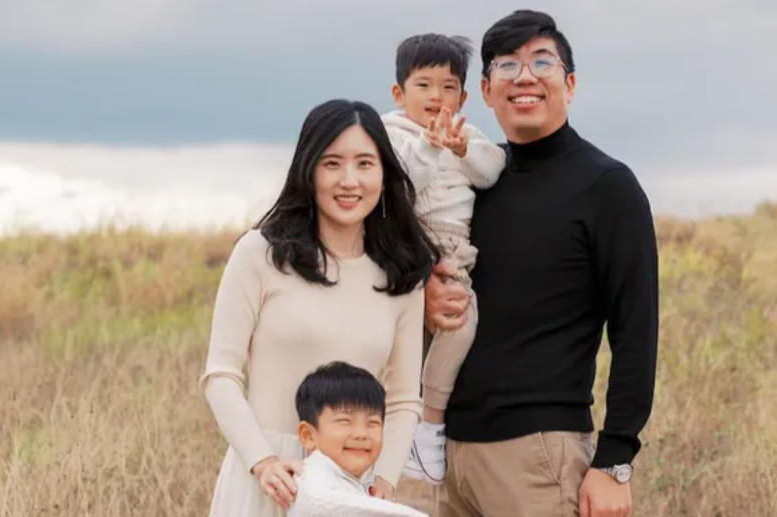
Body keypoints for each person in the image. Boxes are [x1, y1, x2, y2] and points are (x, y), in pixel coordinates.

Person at [425, 10, 659, 517]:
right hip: (444, 454)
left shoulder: (606, 186)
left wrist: (615, 459)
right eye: (506, 66)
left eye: (541, 61)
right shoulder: (469, 181)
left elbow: (636, 329)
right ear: (485, 91)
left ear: (569, 83)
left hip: (537, 456)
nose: (524, 77)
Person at [201, 99, 438, 516]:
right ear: (308, 171)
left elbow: (403, 399)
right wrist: (263, 462)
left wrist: (382, 481)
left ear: (384, 175)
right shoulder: (260, 254)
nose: (350, 180)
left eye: (365, 164)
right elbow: (220, 375)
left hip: (352, 487)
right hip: (267, 477)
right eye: (332, 164)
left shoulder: (402, 275)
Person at [381, 33, 505, 483]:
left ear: (464, 95)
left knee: (454, 329)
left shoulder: (466, 134)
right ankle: (424, 422)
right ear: (399, 94)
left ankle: (423, 423)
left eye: (448, 86)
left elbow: (492, 172)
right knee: (440, 330)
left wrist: (460, 147)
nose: (437, 96)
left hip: (458, 253)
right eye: (424, 85)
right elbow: (403, 183)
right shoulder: (391, 134)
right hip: (416, 249)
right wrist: (433, 146)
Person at [287, 362, 427, 517]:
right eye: (344, 421)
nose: (361, 434)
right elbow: (330, 503)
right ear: (308, 435)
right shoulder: (313, 481)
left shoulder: (356, 481)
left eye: (372, 423)